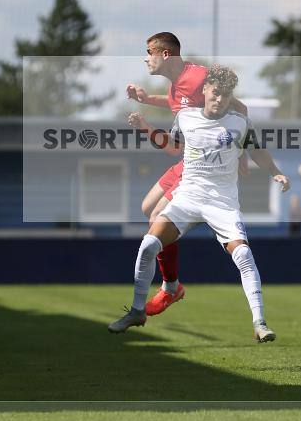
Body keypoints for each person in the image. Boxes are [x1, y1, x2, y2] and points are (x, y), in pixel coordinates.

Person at [111, 65, 290, 342]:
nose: (220, 99)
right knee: (148, 243)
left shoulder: (239, 122)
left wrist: (275, 172)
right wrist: (146, 127)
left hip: (222, 203)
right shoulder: (185, 117)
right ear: (204, 90)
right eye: (216, 93)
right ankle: (137, 311)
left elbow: (257, 150)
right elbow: (174, 147)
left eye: (226, 95)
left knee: (243, 255)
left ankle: (260, 323)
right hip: (188, 196)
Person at [125, 32, 248, 317]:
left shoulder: (198, 76)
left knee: (156, 218)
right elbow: (178, 103)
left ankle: (170, 288)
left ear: (164, 54)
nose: (146, 58)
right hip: (184, 159)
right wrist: (145, 98)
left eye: (149, 52)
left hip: (201, 166)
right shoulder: (176, 83)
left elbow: (240, 108)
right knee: (147, 209)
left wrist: (244, 149)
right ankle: (171, 285)